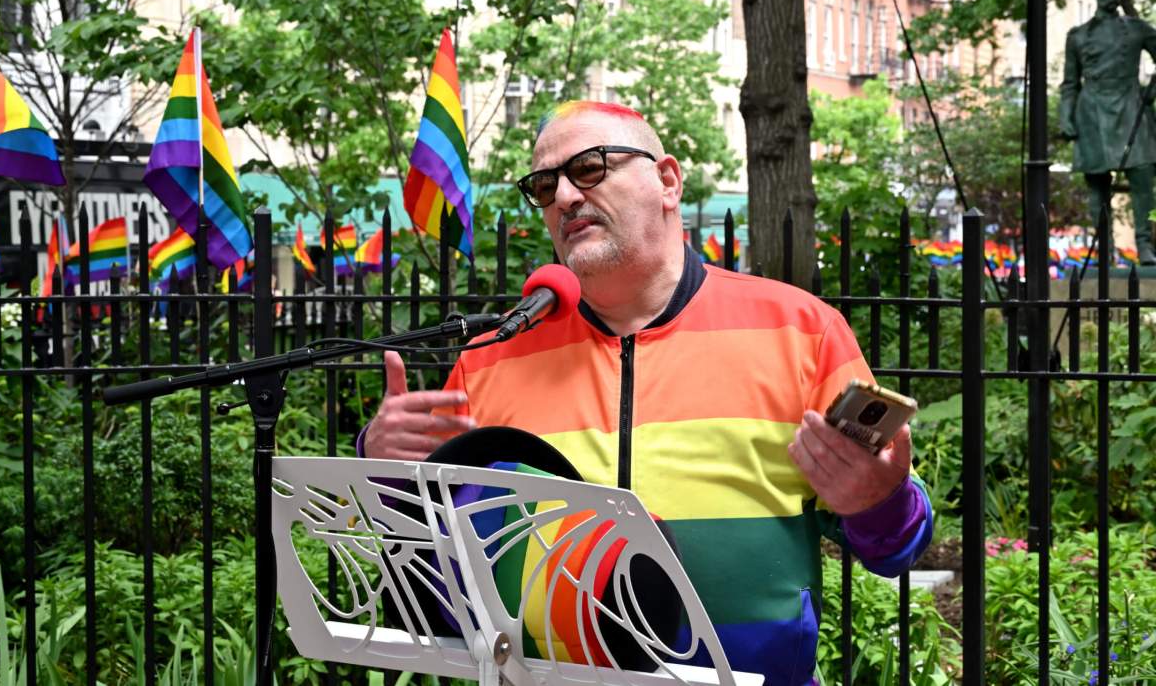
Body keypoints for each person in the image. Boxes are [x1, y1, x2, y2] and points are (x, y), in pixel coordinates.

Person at [361, 101, 933, 685]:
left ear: (666, 180)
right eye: (544, 184)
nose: (563, 197)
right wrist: (385, 473)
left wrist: (879, 501)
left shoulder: (800, 330)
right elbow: (430, 559)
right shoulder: (492, 355)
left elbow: (897, 550)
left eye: (589, 168)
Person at [1058, 0, 1156, 266]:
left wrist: (1152, 92)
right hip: (1092, 114)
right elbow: (1070, 83)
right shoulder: (1078, 36)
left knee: (1142, 177)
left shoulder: (1137, 29)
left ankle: (1144, 243)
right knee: (1097, 186)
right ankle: (1104, 250)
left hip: (1130, 108)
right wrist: (1066, 117)